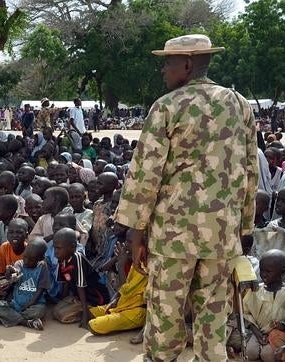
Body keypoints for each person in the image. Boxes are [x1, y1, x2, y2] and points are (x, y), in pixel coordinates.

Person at [114, 34, 258, 361]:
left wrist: (136, 233)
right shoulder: (238, 104)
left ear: (188, 63)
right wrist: (243, 228)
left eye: (168, 62)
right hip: (222, 235)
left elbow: (144, 175)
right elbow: (251, 170)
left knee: (165, 317)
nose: (163, 70)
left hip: (173, 237)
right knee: (213, 321)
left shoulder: (166, 107)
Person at [88, 228, 148, 336]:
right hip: (121, 304)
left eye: (130, 242)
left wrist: (120, 265)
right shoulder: (135, 262)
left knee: (94, 325)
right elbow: (121, 291)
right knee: (89, 312)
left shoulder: (145, 266)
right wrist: (114, 300)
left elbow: (126, 291)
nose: (126, 245)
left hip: (135, 311)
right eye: (126, 241)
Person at [52, 227, 109, 329]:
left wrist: (85, 316)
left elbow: (80, 287)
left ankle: (89, 312)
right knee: (55, 312)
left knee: (62, 316)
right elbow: (66, 282)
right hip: (78, 297)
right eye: (54, 248)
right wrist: (63, 301)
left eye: (58, 248)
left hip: (93, 298)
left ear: (72, 247)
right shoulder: (62, 260)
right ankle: (79, 308)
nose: (55, 252)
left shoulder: (77, 258)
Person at [243, 249, 285, 361]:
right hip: (258, 332)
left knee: (268, 356)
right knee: (250, 353)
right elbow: (246, 312)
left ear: (282, 272)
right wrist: (256, 332)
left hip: (277, 334)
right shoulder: (255, 290)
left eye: (269, 271)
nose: (263, 274)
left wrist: (280, 327)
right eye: (261, 270)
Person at [0, 238, 49, 330]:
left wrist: (30, 303)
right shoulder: (19, 264)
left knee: (40, 310)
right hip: (15, 304)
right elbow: (15, 272)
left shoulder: (42, 267)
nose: (26, 261)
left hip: (33, 305)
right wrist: (9, 272)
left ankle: (8, 318)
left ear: (40, 259)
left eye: (31, 259)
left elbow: (41, 289)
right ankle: (26, 322)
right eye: (25, 256)